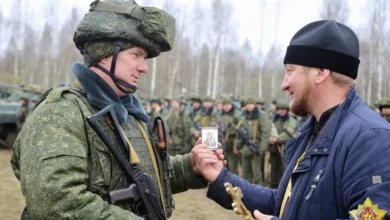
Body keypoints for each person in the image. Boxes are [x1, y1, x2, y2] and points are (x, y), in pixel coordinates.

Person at [11, 1, 214, 219]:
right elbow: (58, 203)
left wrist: (191, 167)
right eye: (135, 55)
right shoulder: (60, 113)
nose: (144, 67)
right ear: (105, 53)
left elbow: (144, 179)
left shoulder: (127, 114)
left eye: (144, 58)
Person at [195, 20, 390, 220]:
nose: (284, 84)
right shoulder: (314, 130)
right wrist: (221, 178)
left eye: (290, 71)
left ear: (321, 73)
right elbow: (283, 204)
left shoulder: (371, 137)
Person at [234, 96, 271, 185]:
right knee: (245, 173)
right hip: (245, 148)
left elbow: (266, 132)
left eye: (251, 104)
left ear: (254, 104)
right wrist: (236, 146)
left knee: (256, 174)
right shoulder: (243, 116)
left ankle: (259, 195)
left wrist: (262, 147)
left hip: (256, 147)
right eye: (247, 104)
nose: (249, 106)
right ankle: (246, 193)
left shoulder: (261, 115)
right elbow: (239, 133)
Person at [268, 101, 297, 189]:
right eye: (280, 109)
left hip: (286, 149)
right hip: (274, 149)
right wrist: (270, 138)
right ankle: (273, 187)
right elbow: (268, 130)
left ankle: (283, 189)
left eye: (284, 109)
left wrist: (277, 139)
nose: (282, 111)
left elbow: (289, 133)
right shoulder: (273, 120)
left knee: (284, 169)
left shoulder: (291, 121)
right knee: (273, 170)